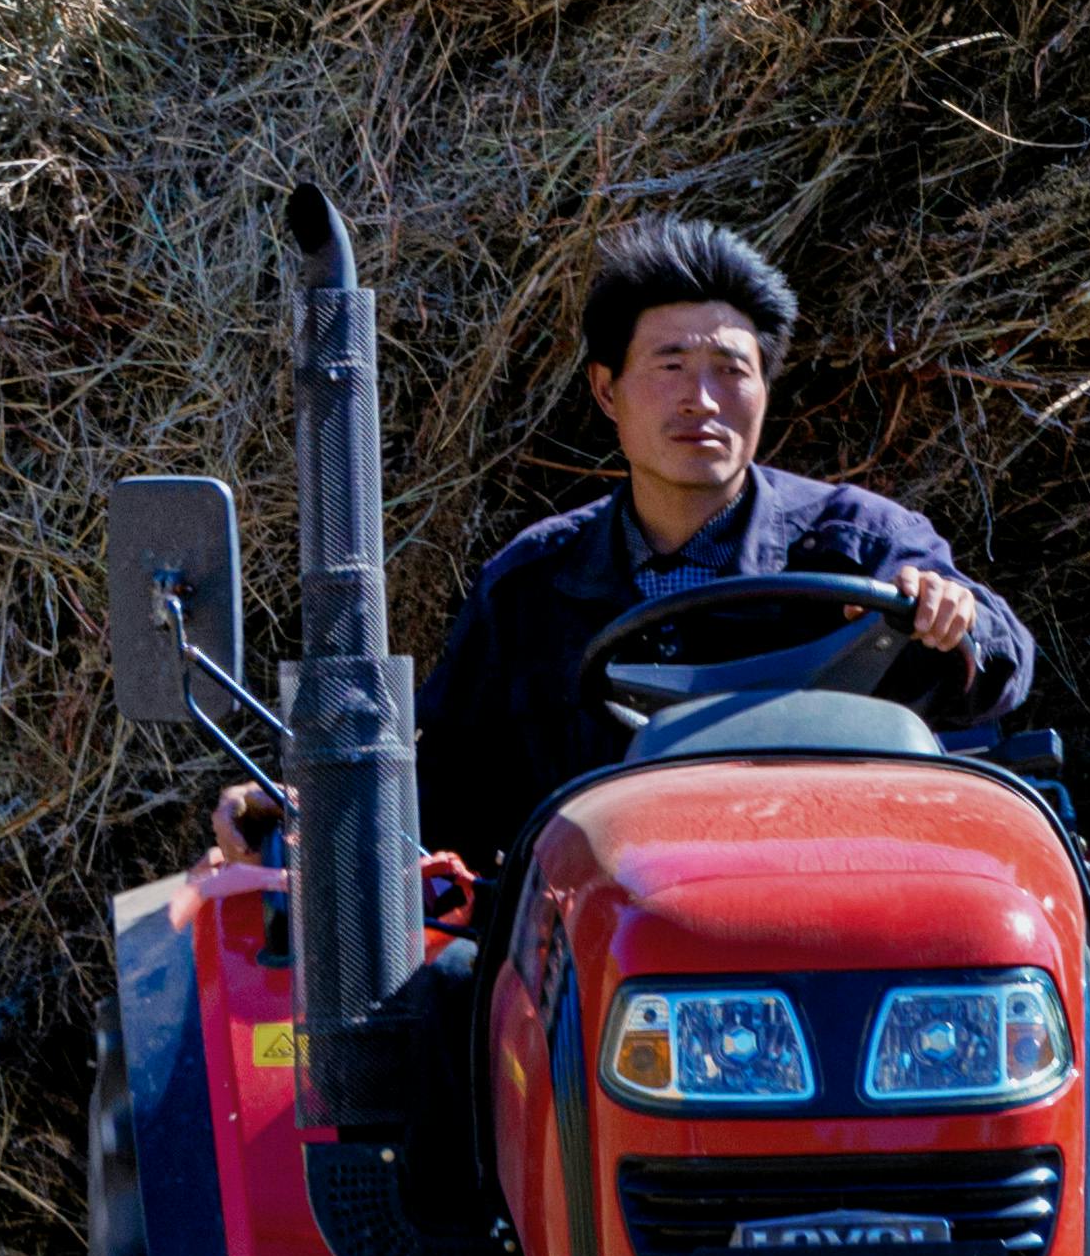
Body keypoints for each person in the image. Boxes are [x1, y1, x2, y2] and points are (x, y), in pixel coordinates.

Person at [414, 219, 1039, 887]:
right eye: (671, 366)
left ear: (765, 390)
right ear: (607, 390)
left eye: (730, 371)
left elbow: (1003, 660)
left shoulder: (859, 541)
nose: (702, 401)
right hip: (608, 931)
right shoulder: (530, 587)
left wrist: (955, 617)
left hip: (844, 892)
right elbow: (443, 794)